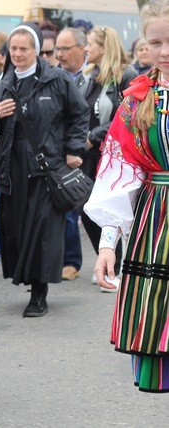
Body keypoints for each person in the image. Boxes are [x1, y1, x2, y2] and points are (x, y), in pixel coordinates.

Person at [85, 0, 169, 393]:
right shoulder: (135, 101)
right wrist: (107, 245)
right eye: (155, 43)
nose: (163, 51)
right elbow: (119, 179)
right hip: (156, 224)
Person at [0, 22, 89, 317]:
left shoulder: (57, 79)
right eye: (14, 49)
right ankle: (29, 281)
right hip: (14, 167)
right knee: (19, 230)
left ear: (37, 50)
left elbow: (79, 113)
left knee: (43, 231)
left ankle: (39, 292)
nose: (18, 54)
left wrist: (74, 149)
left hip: (49, 167)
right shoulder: (3, 84)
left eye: (24, 48)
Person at [73, 26, 138, 287]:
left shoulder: (126, 75)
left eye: (90, 43)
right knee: (86, 207)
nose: (86, 48)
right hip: (87, 154)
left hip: (110, 153)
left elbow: (125, 115)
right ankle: (107, 256)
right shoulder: (89, 76)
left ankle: (116, 264)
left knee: (112, 205)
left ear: (104, 46)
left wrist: (96, 134)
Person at [55, 27, 89, 279]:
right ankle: (70, 261)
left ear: (81, 48)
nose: (60, 54)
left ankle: (111, 261)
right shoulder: (55, 75)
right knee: (67, 207)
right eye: (58, 49)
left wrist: (80, 144)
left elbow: (83, 113)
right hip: (63, 153)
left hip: (93, 151)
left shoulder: (97, 74)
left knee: (94, 212)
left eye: (65, 48)